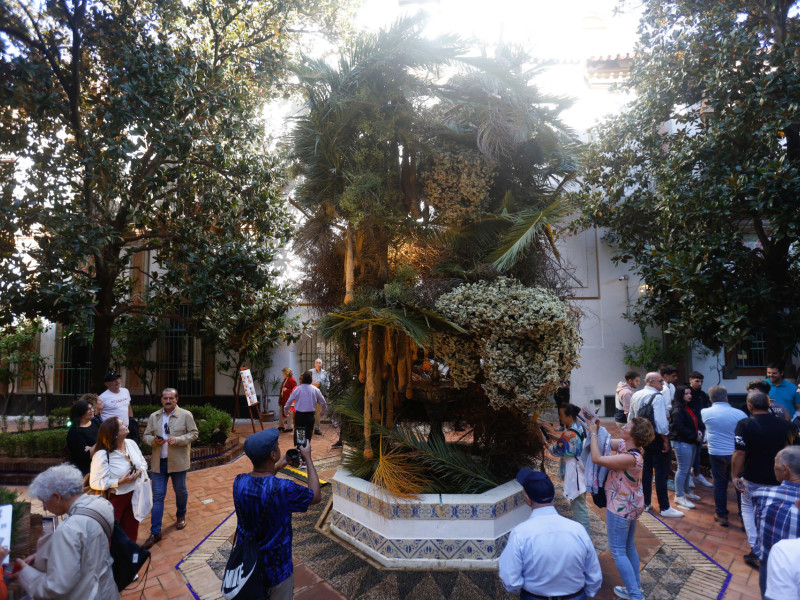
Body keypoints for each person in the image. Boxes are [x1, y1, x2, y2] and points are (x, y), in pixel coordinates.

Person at [232, 428, 321, 600]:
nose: (280, 448)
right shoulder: (283, 488)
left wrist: (281, 464)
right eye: (277, 447)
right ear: (272, 454)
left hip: (248, 567)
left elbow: (261, 479)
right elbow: (315, 496)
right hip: (276, 570)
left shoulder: (239, 482)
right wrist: (308, 458)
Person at [15, 464, 118, 599]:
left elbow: (56, 587)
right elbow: (88, 546)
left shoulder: (68, 530)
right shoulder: (100, 504)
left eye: (44, 501)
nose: (44, 508)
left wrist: (26, 573)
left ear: (57, 497)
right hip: (107, 590)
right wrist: (52, 551)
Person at [498, 469, 601, 599]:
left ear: (527, 499)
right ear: (552, 495)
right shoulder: (578, 530)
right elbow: (594, 575)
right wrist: (586, 593)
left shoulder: (520, 533)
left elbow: (510, 580)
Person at [585, 416, 654, 600]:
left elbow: (597, 458)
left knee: (617, 550)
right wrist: (598, 428)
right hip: (631, 504)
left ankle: (635, 595)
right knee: (628, 546)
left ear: (634, 434)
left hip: (621, 508)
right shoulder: (628, 446)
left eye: (628, 425)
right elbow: (606, 441)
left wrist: (592, 433)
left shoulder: (631, 458)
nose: (623, 426)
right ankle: (635, 589)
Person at [732, 391, 798, 569]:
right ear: (769, 405)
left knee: (749, 509)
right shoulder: (787, 426)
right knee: (778, 511)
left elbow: (739, 452)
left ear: (750, 405)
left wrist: (734, 475)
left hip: (753, 477)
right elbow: (794, 451)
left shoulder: (745, 424)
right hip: (780, 478)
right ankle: (777, 548)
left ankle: (756, 548)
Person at [142, 388, 199, 549]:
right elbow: (146, 436)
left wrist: (179, 440)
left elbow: (194, 433)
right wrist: (154, 440)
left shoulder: (186, 415)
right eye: (165, 398)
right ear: (161, 400)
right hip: (159, 463)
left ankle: (181, 514)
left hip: (178, 462)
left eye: (171, 398)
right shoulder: (155, 416)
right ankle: (155, 531)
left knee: (180, 491)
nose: (168, 401)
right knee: (158, 496)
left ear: (176, 399)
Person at [629, 372, 683, 517]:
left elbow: (631, 417)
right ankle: (664, 507)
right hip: (656, 438)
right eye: (661, 381)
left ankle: (646, 503)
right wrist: (666, 440)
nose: (663, 384)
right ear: (651, 382)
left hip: (642, 438)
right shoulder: (657, 397)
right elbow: (660, 423)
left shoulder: (636, 394)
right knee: (661, 472)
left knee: (646, 471)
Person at [90, 416, 148, 542]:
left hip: (134, 495)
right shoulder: (102, 454)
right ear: (114, 433)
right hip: (114, 499)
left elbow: (143, 462)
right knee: (111, 535)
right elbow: (95, 482)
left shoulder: (131, 444)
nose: (125, 424)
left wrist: (140, 471)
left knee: (131, 533)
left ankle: (129, 558)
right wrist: (120, 482)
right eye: (121, 424)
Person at [753, 447, 800, 596]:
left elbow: (757, 526)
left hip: (769, 564)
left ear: (785, 469)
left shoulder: (763, 495)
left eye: (775, 463)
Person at [701, 385, 747, 527]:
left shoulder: (705, 412)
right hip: (736, 453)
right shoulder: (740, 414)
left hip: (716, 453)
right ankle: (743, 517)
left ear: (710, 399)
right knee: (739, 483)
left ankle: (721, 516)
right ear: (726, 397)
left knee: (720, 484)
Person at [548, 403, 590, 534]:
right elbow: (571, 441)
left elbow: (557, 451)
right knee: (579, 503)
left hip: (574, 472)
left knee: (578, 506)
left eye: (561, 415)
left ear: (569, 416)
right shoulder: (578, 427)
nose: (559, 417)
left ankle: (584, 537)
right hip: (580, 468)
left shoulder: (568, 434)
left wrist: (544, 441)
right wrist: (555, 437)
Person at [669, 385, 703, 510]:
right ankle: (679, 495)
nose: (689, 395)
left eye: (690, 393)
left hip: (690, 441)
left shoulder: (687, 407)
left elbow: (693, 423)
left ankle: (686, 491)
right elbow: (679, 427)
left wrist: (697, 432)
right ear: (680, 395)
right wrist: (695, 435)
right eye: (686, 393)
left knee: (688, 468)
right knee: (683, 469)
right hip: (682, 442)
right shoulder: (678, 410)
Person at [286, 371, 326, 449]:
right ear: (311, 379)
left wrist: (286, 410)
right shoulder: (315, 389)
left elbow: (289, 400)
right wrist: (322, 411)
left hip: (299, 415)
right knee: (308, 435)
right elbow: (323, 402)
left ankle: (299, 451)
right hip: (310, 416)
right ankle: (305, 451)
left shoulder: (298, 389)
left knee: (300, 435)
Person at [688, 371, 713, 488]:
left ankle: (697, 474)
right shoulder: (687, 393)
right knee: (689, 453)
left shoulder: (702, 394)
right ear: (690, 380)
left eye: (701, 381)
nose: (699, 383)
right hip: (689, 428)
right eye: (697, 381)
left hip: (701, 427)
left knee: (697, 452)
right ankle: (688, 476)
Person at [99, 371, 138, 442]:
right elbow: (97, 413)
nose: (117, 381)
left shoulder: (125, 391)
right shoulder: (102, 397)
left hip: (126, 429)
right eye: (113, 380)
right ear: (106, 384)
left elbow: (129, 406)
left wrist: (131, 420)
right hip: (111, 431)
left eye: (118, 378)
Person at [65, 400, 100, 475]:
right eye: (88, 409)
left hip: (99, 466)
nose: (92, 410)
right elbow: (86, 456)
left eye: (92, 408)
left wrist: (92, 448)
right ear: (80, 412)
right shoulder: (75, 432)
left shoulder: (95, 423)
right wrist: (101, 443)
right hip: (84, 471)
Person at [310, 358, 330, 435]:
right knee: (311, 411)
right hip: (311, 394)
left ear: (322, 364)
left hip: (320, 394)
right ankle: (310, 427)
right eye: (317, 362)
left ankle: (317, 428)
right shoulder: (310, 372)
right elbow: (305, 382)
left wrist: (322, 385)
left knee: (318, 411)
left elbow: (328, 383)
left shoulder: (324, 373)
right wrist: (313, 384)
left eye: (320, 363)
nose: (318, 364)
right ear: (315, 364)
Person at [278, 367, 296, 433]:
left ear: (286, 373)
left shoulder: (292, 380)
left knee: (289, 413)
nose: (283, 374)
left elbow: (294, 390)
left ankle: (290, 427)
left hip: (289, 400)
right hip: (283, 399)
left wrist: (287, 390)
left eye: (283, 373)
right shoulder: (286, 379)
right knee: (281, 412)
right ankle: (281, 426)